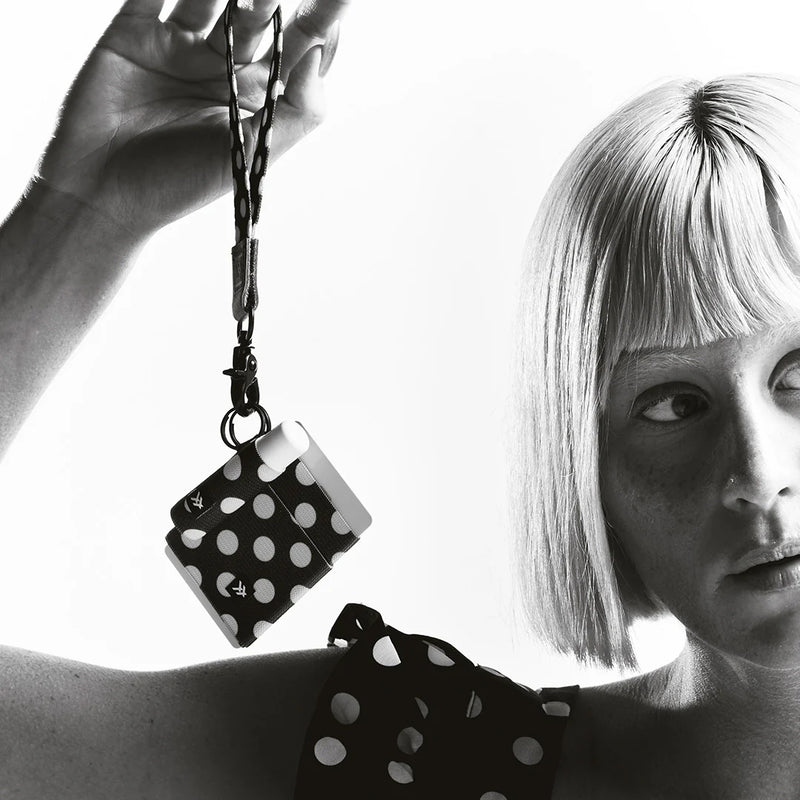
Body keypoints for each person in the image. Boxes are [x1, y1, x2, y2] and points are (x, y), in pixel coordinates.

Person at [3, 3, 800, 800]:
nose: (758, 475)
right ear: (588, 476)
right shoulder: (419, 750)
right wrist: (80, 218)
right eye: (670, 403)